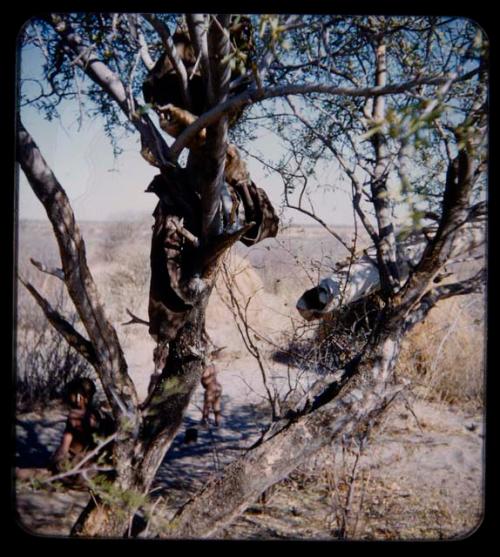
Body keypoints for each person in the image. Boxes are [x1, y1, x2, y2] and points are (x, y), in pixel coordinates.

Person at [50, 377, 114, 476]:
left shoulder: (91, 416)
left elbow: (65, 445)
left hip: (87, 460)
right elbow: (65, 444)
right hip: (81, 458)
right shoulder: (97, 415)